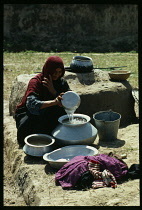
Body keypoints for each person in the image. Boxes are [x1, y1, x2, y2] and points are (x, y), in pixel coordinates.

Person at [15, 56, 71, 147]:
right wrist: (54, 102)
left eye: (59, 72)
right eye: (54, 72)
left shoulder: (62, 83)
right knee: (27, 129)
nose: (56, 75)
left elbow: (70, 101)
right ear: (48, 69)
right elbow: (32, 105)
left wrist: (53, 91)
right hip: (31, 114)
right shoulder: (36, 82)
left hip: (49, 114)